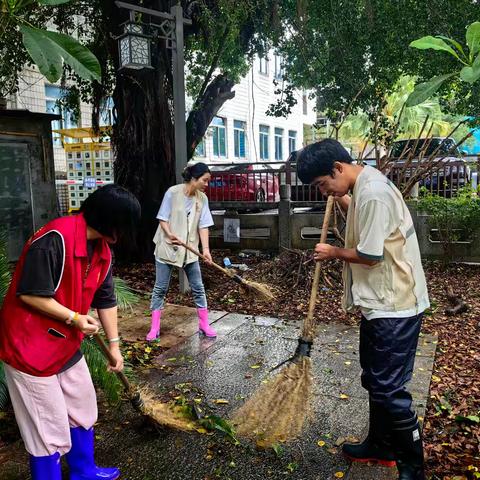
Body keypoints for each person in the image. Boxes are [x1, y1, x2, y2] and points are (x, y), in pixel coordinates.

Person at [297, 139, 429, 480]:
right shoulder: (363, 183)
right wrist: (339, 198)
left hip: (395, 305)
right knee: (375, 380)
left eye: (323, 184)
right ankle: (380, 446)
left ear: (338, 168)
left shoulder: (373, 194)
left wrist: (333, 253)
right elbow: (357, 207)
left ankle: (413, 466)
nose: (323, 191)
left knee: (389, 389)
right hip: (379, 304)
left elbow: (370, 255)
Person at [0, 184, 141, 480]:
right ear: (111, 224)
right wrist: (74, 318)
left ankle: (83, 470)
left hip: (64, 344)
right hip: (30, 348)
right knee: (46, 426)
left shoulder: (102, 250)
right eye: (126, 225)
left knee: (82, 404)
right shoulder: (54, 240)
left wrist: (114, 346)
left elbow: (106, 299)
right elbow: (30, 294)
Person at [146, 161, 217, 341]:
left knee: (198, 288)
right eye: (205, 180)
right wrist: (169, 234)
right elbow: (162, 218)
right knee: (161, 288)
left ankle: (204, 325)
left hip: (190, 250)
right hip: (167, 248)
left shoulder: (202, 199)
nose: (206, 184)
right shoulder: (172, 192)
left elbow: (204, 225)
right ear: (194, 178)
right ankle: (154, 328)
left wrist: (206, 250)